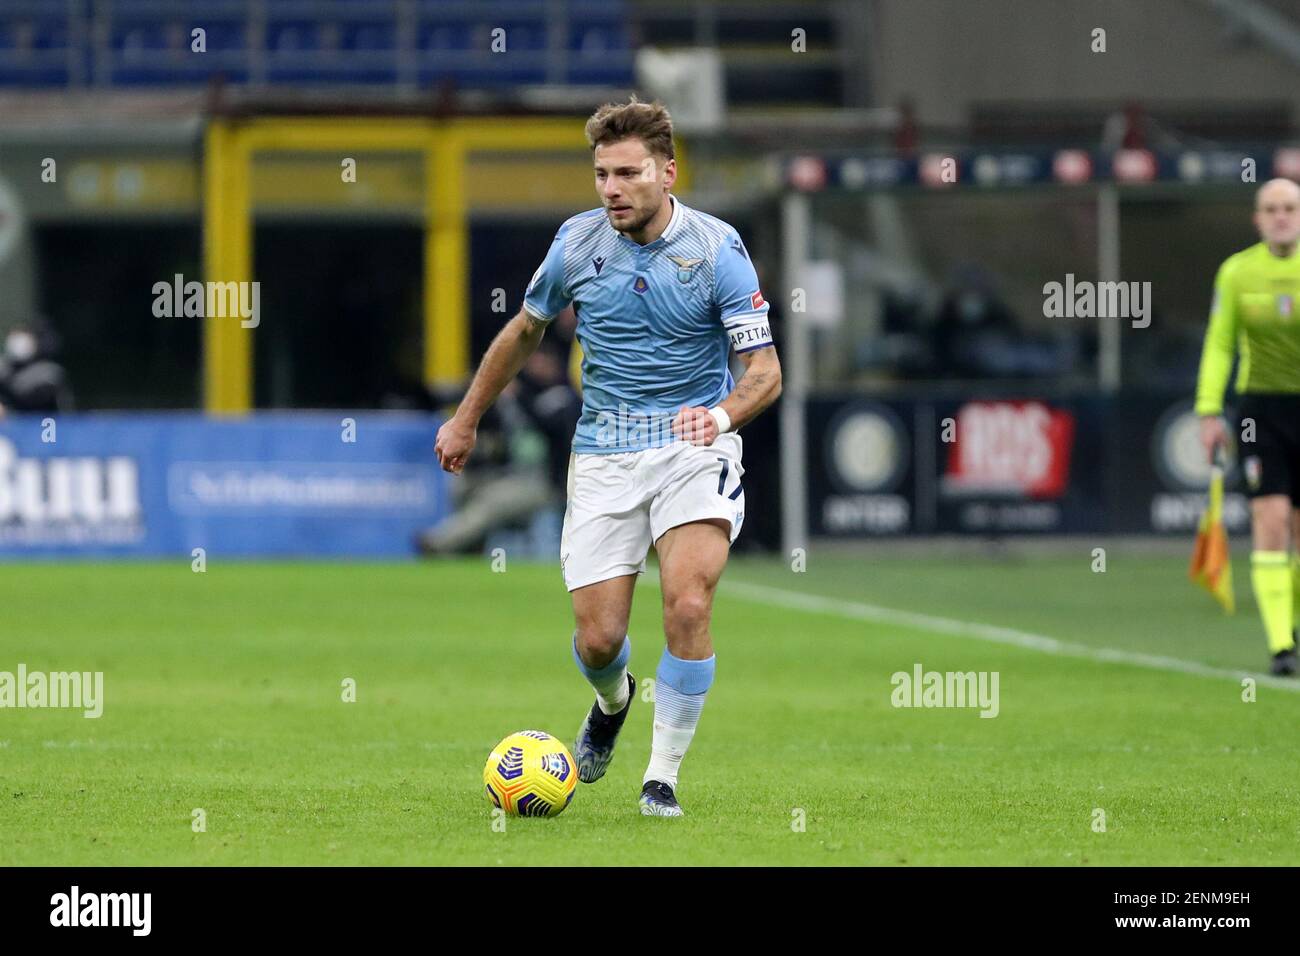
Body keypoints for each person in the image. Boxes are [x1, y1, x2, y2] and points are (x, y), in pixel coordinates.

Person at [434, 96, 782, 816]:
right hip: (603, 454)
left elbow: (765, 374)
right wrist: (466, 418)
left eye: (627, 173)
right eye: (601, 174)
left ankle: (661, 780)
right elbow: (524, 332)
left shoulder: (717, 249)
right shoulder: (577, 244)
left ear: (668, 171)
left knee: (688, 602)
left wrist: (716, 417)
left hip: (694, 448)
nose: (611, 189)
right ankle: (612, 702)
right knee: (599, 640)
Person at [1196, 178, 1300, 676]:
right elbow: (1220, 343)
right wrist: (1208, 410)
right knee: (1271, 520)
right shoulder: (1237, 273)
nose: (1281, 216)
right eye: (1271, 209)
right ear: (1257, 219)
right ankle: (1281, 645)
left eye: (1290, 208)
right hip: (1260, 410)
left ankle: (1291, 618)